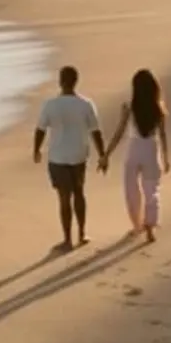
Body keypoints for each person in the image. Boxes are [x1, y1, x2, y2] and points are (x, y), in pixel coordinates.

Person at [32, 65, 107, 252]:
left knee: (64, 198)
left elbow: (40, 129)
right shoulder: (86, 104)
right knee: (79, 193)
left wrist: (36, 150)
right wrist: (102, 154)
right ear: (76, 81)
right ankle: (81, 234)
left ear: (60, 81)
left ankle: (67, 240)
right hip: (78, 155)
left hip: (57, 157)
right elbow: (96, 131)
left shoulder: (50, 105)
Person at [102, 69, 170, 242]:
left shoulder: (129, 107)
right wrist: (166, 157)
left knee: (131, 190)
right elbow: (162, 135)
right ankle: (150, 228)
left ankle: (136, 225)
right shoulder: (158, 108)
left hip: (134, 150)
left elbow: (118, 132)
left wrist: (106, 154)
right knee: (151, 190)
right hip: (151, 150)